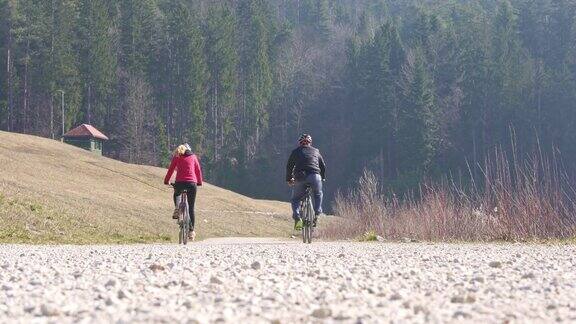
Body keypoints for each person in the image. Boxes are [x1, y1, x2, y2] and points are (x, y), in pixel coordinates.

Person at [286, 134, 326, 230]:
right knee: (318, 194)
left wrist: (289, 179)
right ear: (310, 143)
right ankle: (317, 213)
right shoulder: (316, 151)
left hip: (300, 177)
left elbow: (289, 166)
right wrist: (323, 177)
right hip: (315, 176)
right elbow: (323, 166)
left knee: (295, 199)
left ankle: (297, 218)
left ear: (299, 143)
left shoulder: (295, 152)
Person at [164, 143, 203, 241]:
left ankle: (177, 208)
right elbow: (198, 170)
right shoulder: (193, 157)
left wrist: (166, 181)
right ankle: (191, 231)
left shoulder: (177, 156)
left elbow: (171, 169)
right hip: (191, 184)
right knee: (191, 208)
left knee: (176, 193)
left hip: (180, 183)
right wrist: (199, 182)